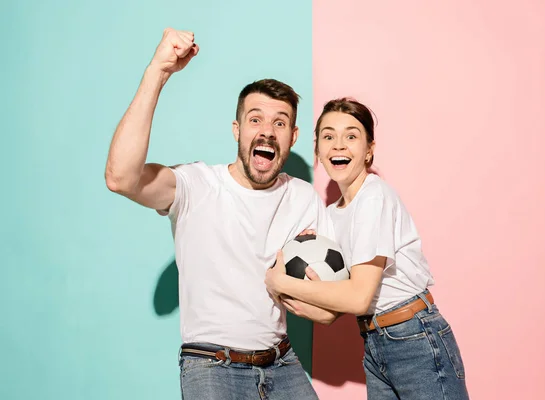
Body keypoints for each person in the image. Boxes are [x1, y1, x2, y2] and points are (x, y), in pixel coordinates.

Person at [105, 27, 335, 400]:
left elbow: (327, 301)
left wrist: (298, 291)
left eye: (279, 123)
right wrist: (158, 72)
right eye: (255, 119)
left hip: (283, 362)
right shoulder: (197, 185)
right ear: (237, 129)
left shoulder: (303, 198)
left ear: (292, 138)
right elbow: (121, 177)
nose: (267, 132)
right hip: (212, 365)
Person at [265, 98, 470, 399]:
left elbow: (359, 298)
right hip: (375, 340)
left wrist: (280, 282)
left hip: (413, 335)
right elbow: (330, 314)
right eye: (328, 136)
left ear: (369, 150)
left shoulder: (374, 196)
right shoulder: (333, 215)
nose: (338, 145)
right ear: (318, 151)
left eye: (351, 136)